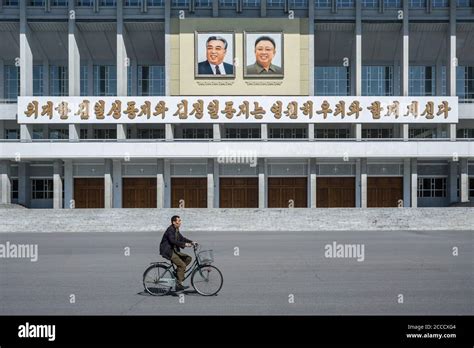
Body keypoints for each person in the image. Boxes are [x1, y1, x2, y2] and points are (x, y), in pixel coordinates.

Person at [159, 215, 197, 292]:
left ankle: (177, 273)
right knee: (182, 265)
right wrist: (185, 244)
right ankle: (179, 285)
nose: (180, 222)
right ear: (174, 222)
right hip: (168, 251)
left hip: (174, 250)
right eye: (178, 221)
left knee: (188, 258)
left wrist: (191, 242)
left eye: (180, 221)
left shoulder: (176, 229)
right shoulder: (170, 230)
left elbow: (182, 238)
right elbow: (173, 241)